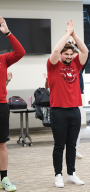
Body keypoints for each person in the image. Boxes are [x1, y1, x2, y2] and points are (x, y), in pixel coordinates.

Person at [47, 20, 89, 188]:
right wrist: (66, 34)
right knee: (59, 145)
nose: (69, 56)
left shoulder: (76, 64)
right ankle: (58, 175)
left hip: (74, 110)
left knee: (72, 145)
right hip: (58, 111)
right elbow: (56, 50)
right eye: (67, 54)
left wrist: (74, 35)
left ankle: (71, 174)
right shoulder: (53, 65)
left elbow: (85, 51)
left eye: (71, 54)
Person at [0, 16, 25, 192]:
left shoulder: (3, 59)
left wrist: (8, 33)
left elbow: (20, 52)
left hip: (1, 105)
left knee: (2, 144)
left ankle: (4, 178)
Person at [68, 36, 90, 159]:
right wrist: (69, 43)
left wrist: (75, 42)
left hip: (78, 96)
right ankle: (67, 148)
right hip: (66, 98)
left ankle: (75, 149)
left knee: (76, 125)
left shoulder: (79, 66)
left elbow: (87, 52)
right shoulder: (62, 66)